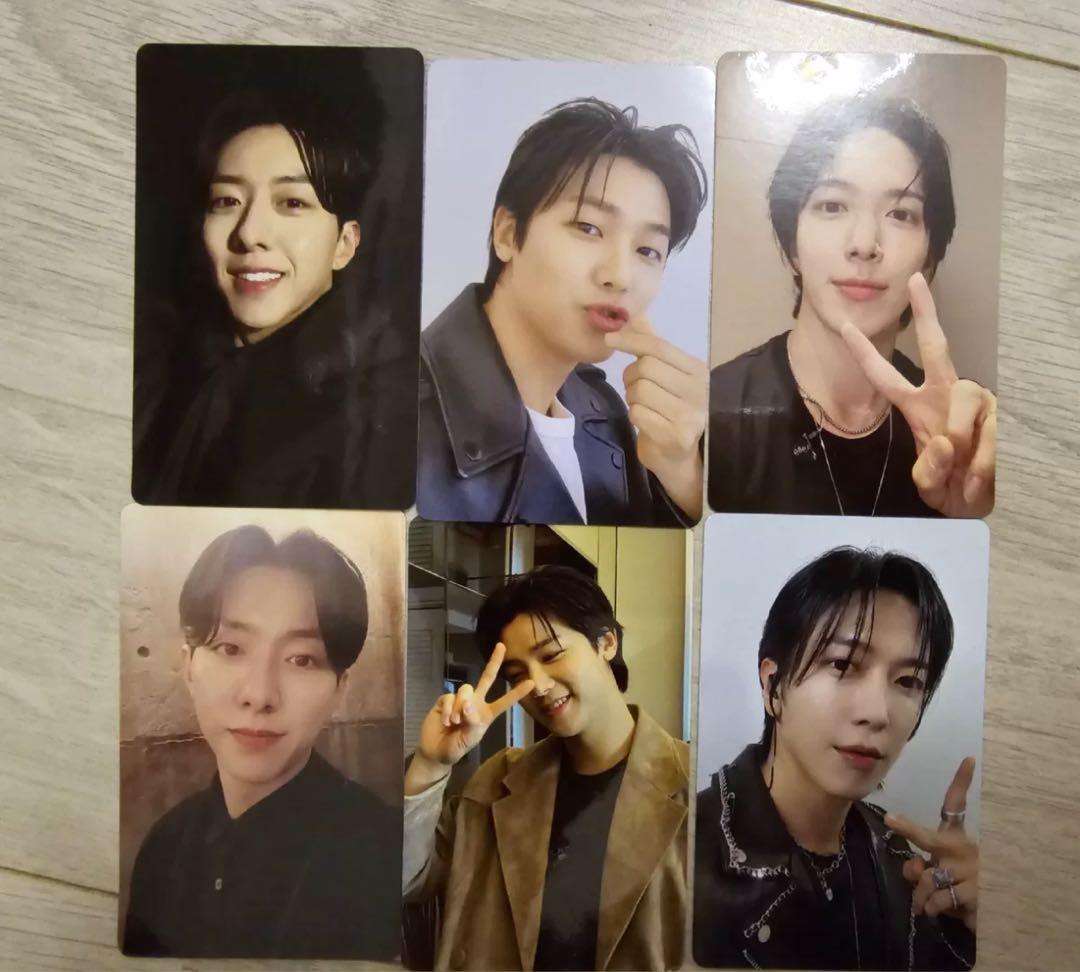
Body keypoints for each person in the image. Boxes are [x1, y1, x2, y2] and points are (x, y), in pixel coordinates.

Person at [417, 98, 709, 526]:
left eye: (648, 250)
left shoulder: (604, 412)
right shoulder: (390, 420)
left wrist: (683, 473)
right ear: (507, 234)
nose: (620, 276)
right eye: (588, 228)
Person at [133, 76, 416, 509]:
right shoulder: (162, 372)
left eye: (292, 203)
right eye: (227, 201)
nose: (250, 233)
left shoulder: (376, 418)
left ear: (345, 244)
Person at [709, 95, 997, 517]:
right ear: (792, 244)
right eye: (832, 206)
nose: (864, 244)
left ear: (929, 257)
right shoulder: (717, 411)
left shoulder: (954, 429)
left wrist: (972, 513)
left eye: (901, 214)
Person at [694, 546, 978, 970]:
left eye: (907, 681)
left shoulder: (901, 858)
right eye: (843, 665)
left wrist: (967, 931)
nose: (877, 713)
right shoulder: (684, 853)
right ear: (773, 686)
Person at [122, 525, 400, 959]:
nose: (259, 694)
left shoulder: (384, 856)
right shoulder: (165, 846)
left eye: (301, 659)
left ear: (340, 689)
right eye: (231, 648)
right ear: (188, 667)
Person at [403, 566, 689, 970]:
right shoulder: (496, 783)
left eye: (551, 656)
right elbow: (407, 880)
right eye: (517, 674)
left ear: (606, 642)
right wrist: (431, 764)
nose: (536, 685)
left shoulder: (701, 788)